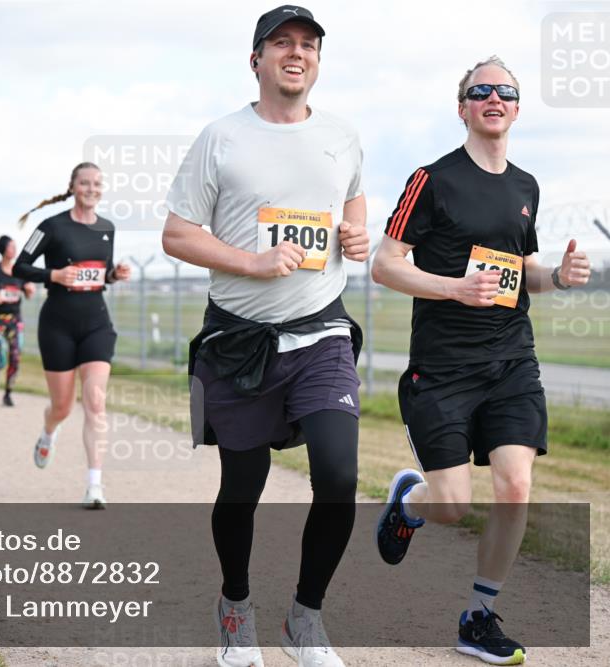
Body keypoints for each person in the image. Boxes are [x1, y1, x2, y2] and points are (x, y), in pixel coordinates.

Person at [162, 7, 370, 666]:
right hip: (240, 339)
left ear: (317, 62)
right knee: (241, 488)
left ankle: (305, 619)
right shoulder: (221, 137)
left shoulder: (342, 136)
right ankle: (236, 608)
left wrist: (356, 234)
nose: (297, 53)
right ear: (256, 59)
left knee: (338, 475)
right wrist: (251, 260)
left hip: (321, 330)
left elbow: (354, 200)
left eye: (308, 45)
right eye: (282, 42)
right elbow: (176, 232)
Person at [371, 56, 591, 666]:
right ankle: (410, 505)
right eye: (481, 91)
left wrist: (560, 278)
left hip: (511, 361)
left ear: (517, 108)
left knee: (516, 485)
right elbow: (385, 264)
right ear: (463, 105)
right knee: (453, 505)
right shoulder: (432, 178)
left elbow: (524, 278)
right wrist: (451, 287)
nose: (494, 98)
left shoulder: (526, 187)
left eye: (506, 92)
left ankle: (479, 616)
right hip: (441, 369)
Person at [13, 162, 131, 509]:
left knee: (95, 402)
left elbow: (99, 274)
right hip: (58, 325)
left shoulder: (107, 228)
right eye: (85, 183)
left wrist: (114, 275)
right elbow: (20, 266)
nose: (91, 188)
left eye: (97, 183)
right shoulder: (51, 226)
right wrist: (54, 275)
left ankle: (94, 486)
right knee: (62, 407)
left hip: (96, 322)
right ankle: (49, 431)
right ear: (73, 186)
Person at [0, 235, 36, 406]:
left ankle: (8, 393)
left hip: (15, 320)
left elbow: (28, 293)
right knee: (0, 356)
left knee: (15, 357)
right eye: (11, 246)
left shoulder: (21, 270)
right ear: (3, 249)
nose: (14, 249)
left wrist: (30, 290)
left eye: (15, 246)